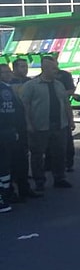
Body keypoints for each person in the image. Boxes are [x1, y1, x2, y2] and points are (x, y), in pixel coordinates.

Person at [19, 56, 73, 191]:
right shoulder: (31, 85)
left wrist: (70, 120)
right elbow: (25, 106)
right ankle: (39, 180)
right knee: (37, 154)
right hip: (39, 126)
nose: (56, 71)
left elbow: (66, 103)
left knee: (60, 152)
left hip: (59, 125)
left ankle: (59, 178)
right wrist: (29, 124)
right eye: (53, 68)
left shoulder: (59, 84)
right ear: (45, 68)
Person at [7, 59, 37, 200]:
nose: (25, 69)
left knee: (23, 157)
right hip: (9, 125)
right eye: (22, 66)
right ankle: (10, 190)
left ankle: (24, 187)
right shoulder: (7, 86)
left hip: (23, 123)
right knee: (10, 159)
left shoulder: (30, 82)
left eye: (26, 66)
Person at [0, 63, 19, 212]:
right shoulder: (6, 89)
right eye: (4, 72)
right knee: (4, 166)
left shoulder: (8, 88)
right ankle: (3, 198)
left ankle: (4, 196)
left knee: (5, 166)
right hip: (6, 132)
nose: (8, 74)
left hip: (8, 131)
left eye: (8, 71)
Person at [55, 58, 77, 173]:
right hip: (49, 113)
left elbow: (71, 90)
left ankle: (69, 162)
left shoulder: (64, 75)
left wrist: (61, 94)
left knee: (67, 139)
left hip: (63, 108)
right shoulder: (40, 78)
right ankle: (50, 163)